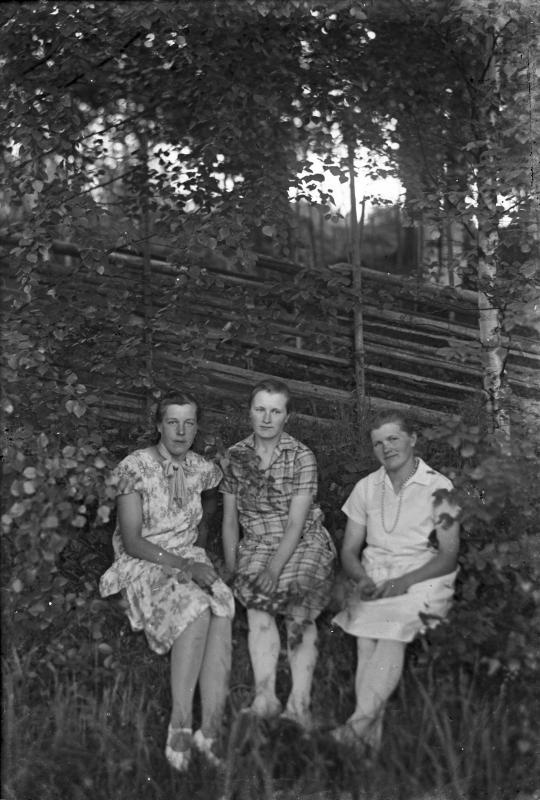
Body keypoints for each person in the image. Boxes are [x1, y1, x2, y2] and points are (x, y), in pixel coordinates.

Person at [99, 392, 235, 771]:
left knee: (223, 606)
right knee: (196, 608)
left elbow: (208, 507)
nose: (181, 431)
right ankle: (180, 723)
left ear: (196, 427)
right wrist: (183, 565)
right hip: (145, 561)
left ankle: (211, 730)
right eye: (173, 422)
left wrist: (197, 551)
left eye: (189, 423)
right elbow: (132, 541)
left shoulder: (201, 468)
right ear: (159, 425)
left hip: (187, 556)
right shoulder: (134, 467)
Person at [331, 409, 460, 750]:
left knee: (391, 630)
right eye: (378, 443)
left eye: (393, 438)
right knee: (364, 638)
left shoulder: (439, 486)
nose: (386, 448)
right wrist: (361, 579)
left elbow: (448, 555)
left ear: (412, 439)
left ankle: (355, 729)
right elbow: (349, 551)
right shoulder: (366, 487)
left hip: (422, 576)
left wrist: (402, 583)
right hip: (375, 573)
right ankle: (366, 744)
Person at [221, 379, 336, 730]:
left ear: (287, 416)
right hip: (257, 542)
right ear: (249, 412)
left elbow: (296, 524)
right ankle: (265, 698)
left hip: (302, 540)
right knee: (258, 606)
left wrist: (273, 570)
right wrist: (233, 571)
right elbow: (229, 522)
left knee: (298, 608)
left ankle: (299, 706)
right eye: (260, 410)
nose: (267, 419)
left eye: (275, 411)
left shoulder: (301, 456)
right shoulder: (235, 456)